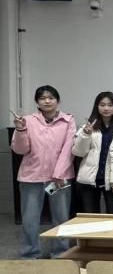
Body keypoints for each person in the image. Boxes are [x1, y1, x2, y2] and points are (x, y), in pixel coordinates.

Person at [11, 85, 76, 259]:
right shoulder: (27, 121)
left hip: (59, 179)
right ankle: (30, 254)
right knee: (30, 220)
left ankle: (61, 253)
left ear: (58, 100)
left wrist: (59, 174)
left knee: (61, 218)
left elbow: (68, 149)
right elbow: (20, 150)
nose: (47, 101)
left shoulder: (68, 120)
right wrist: (20, 129)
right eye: (42, 98)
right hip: (31, 177)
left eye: (51, 97)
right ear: (37, 102)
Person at [72, 91, 113, 214]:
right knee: (91, 217)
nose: (106, 108)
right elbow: (78, 152)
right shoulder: (87, 127)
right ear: (97, 107)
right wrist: (85, 135)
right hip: (90, 179)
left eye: (110, 105)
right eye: (102, 105)